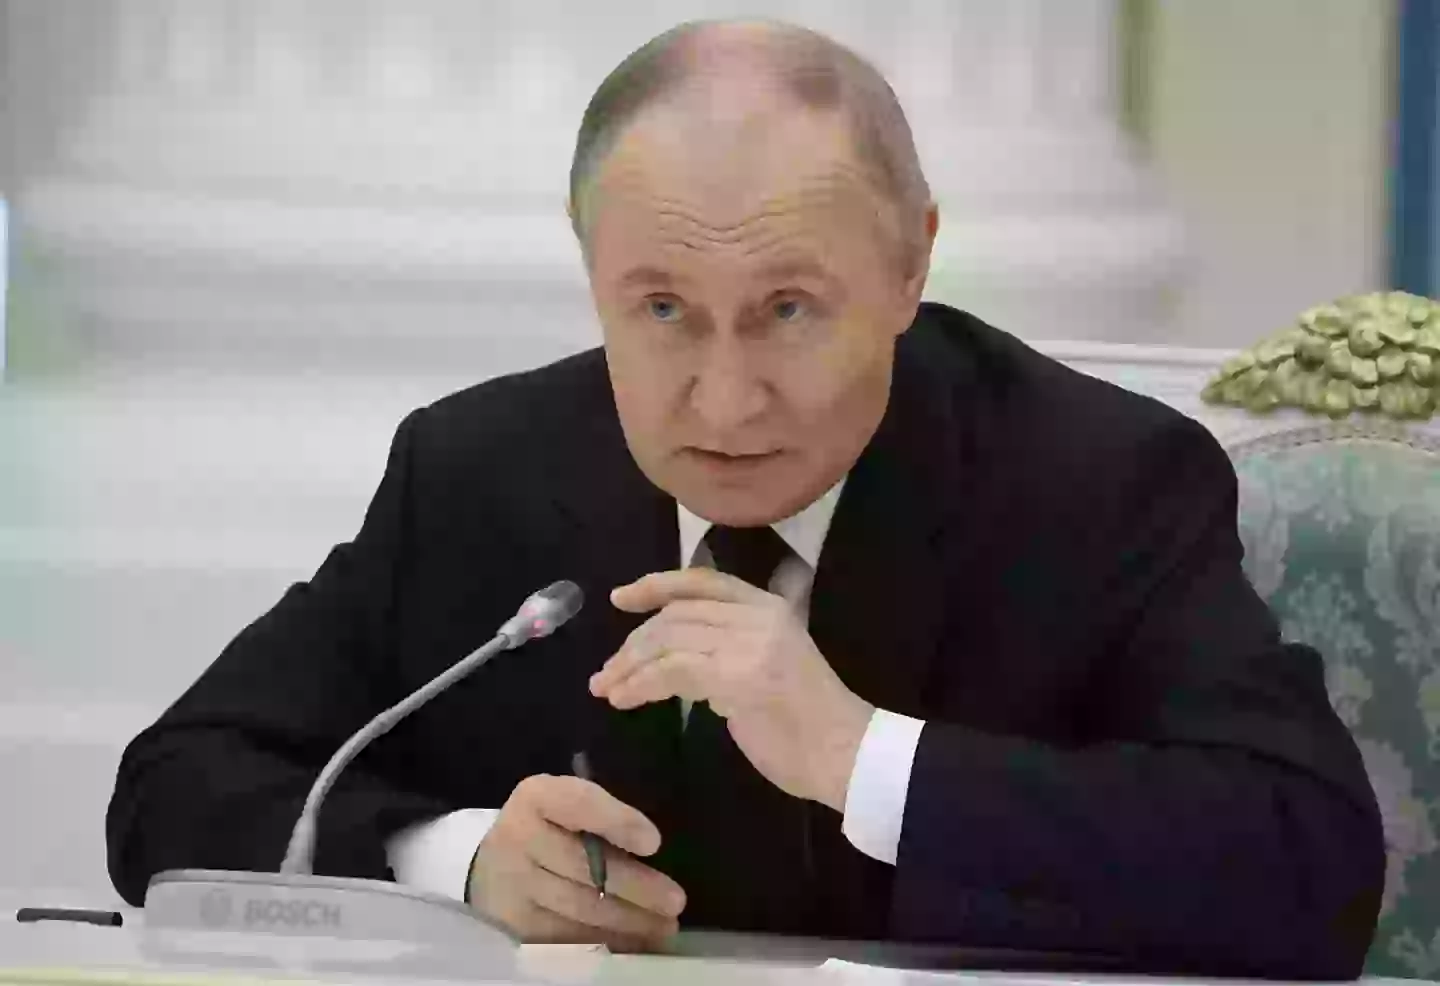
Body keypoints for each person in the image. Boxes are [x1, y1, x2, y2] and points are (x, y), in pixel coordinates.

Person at [106, 18, 1383, 978]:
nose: (723, 403)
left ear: (911, 263)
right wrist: (460, 857)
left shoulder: (1097, 479)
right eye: (661, 308)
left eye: (788, 310)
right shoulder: (478, 471)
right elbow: (173, 787)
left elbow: (1309, 870)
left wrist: (861, 755)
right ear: (591, 269)